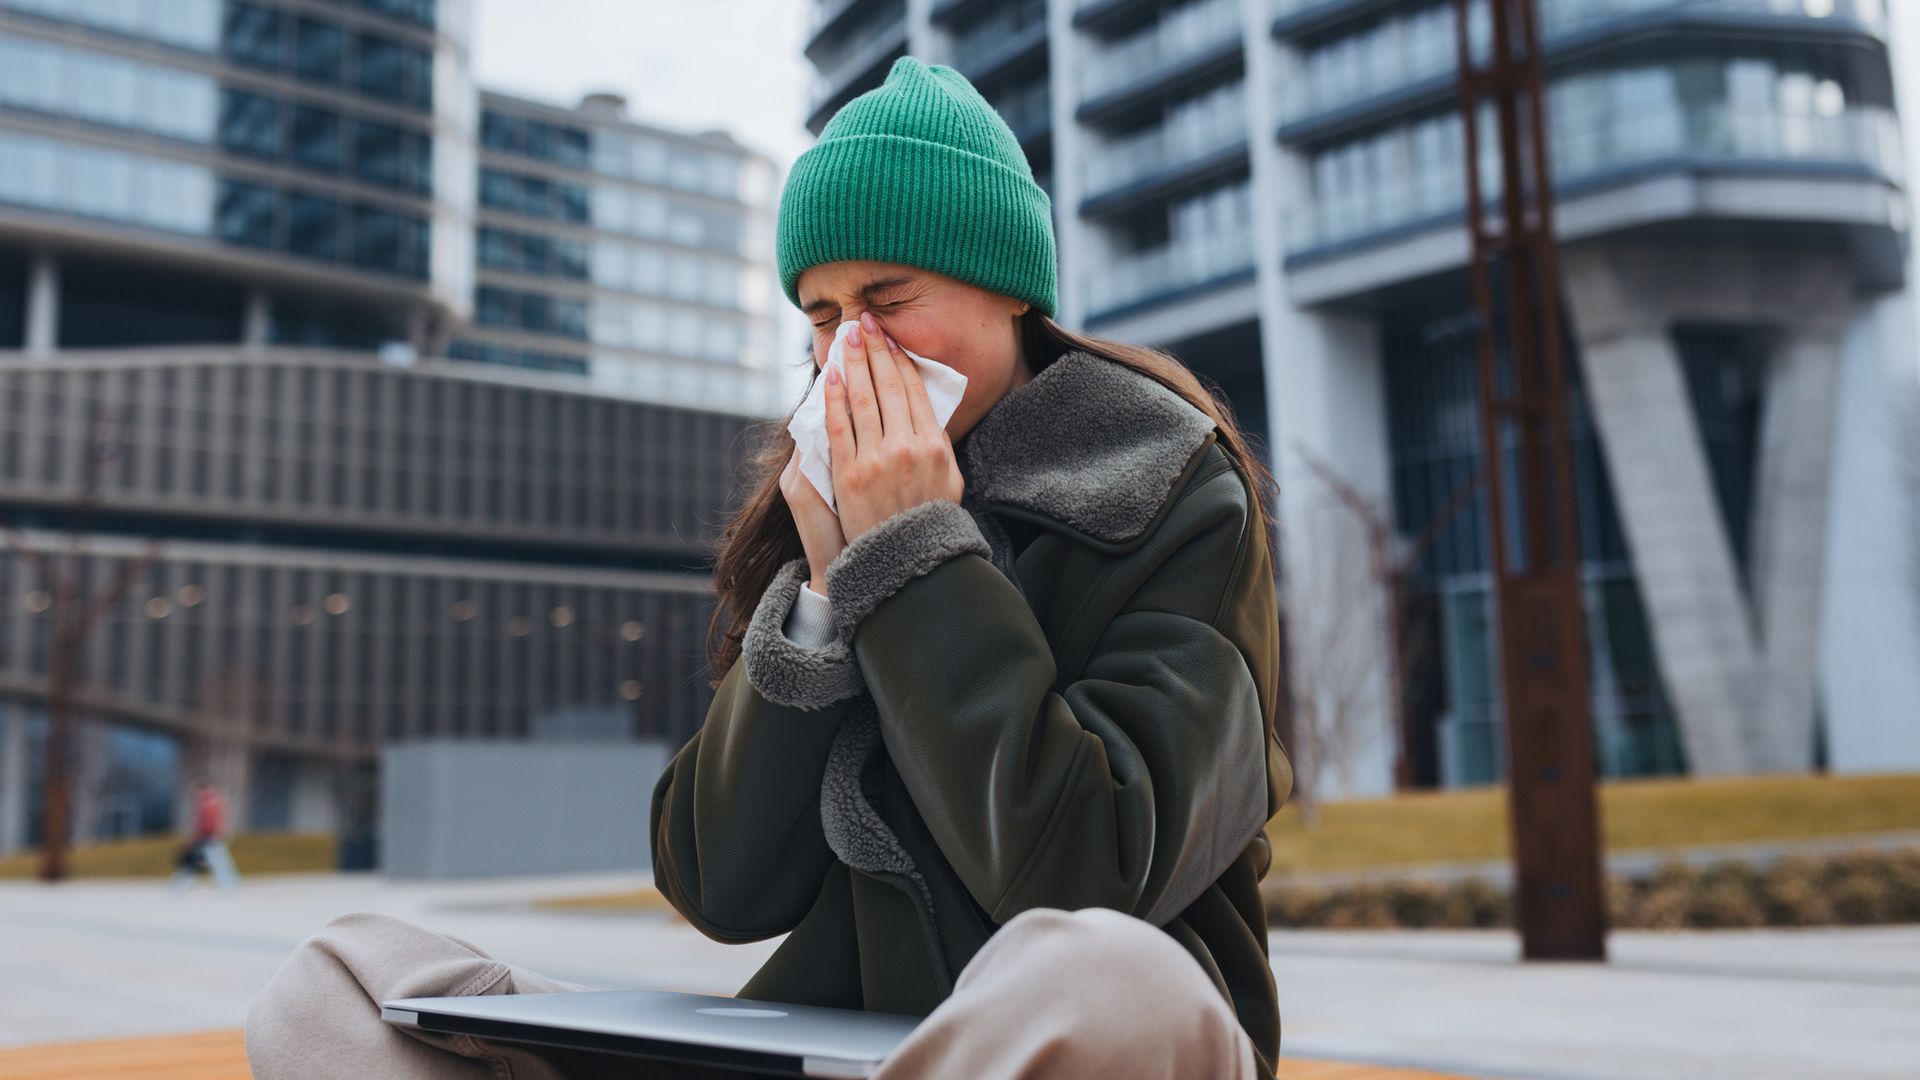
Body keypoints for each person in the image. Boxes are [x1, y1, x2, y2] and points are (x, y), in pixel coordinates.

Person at [245, 55, 1293, 1080]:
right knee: (337, 982)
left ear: (1008, 287)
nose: (853, 353)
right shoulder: (818, 498)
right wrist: (829, 600)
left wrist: (920, 559)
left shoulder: (1170, 488)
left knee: (1111, 981)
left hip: (1061, 1039)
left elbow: (1089, 877)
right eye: (825, 319)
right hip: (825, 1044)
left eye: (888, 297)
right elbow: (720, 888)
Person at [170, 779, 241, 892]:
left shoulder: (209, 804)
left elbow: (209, 823)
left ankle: (230, 886)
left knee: (210, 863)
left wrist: (200, 836)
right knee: (203, 863)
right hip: (208, 838)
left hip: (209, 838)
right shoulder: (212, 802)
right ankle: (230, 885)